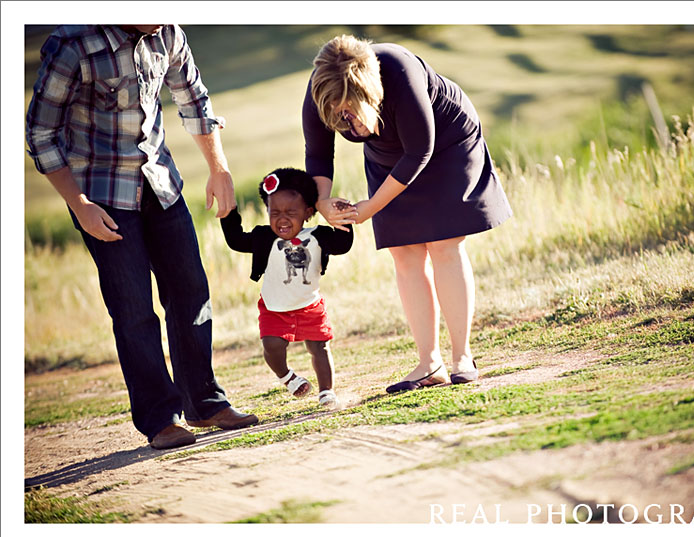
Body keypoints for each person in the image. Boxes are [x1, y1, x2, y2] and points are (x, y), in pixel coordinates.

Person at [25, 25, 258, 450]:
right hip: (100, 195)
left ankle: (205, 403)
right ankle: (160, 420)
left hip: (160, 183)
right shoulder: (73, 45)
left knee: (191, 292)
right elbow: (40, 134)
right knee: (133, 310)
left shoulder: (167, 34)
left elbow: (194, 100)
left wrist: (219, 169)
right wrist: (79, 205)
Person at [302, 35, 513, 394]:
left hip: (446, 143)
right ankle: (429, 364)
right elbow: (318, 153)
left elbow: (420, 150)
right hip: (388, 156)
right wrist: (321, 201)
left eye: (350, 111)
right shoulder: (323, 93)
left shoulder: (400, 71)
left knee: (444, 243)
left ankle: (462, 358)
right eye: (339, 115)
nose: (345, 120)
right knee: (405, 251)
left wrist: (370, 207)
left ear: (369, 91)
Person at [220, 168, 353, 407]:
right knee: (271, 345)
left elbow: (342, 245)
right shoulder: (264, 238)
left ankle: (326, 391)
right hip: (273, 307)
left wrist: (344, 217)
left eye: (291, 212)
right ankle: (287, 377)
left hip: (309, 305)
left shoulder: (318, 236)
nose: (282, 219)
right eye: (275, 212)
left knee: (319, 347)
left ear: (308, 212)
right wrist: (228, 212)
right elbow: (236, 240)